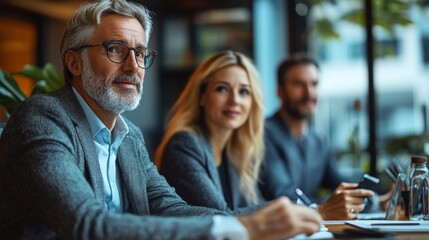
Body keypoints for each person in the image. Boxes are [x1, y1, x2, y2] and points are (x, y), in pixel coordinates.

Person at [0, 1, 322, 239]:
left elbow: (173, 209)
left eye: (140, 53)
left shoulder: (130, 138)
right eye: (115, 49)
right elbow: (86, 224)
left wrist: (275, 218)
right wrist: (244, 226)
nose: (132, 65)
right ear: (74, 62)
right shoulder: (43, 118)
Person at [259, 53, 377, 220]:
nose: (309, 93)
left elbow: (337, 181)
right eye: (298, 84)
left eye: (314, 84)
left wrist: (374, 197)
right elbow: (282, 195)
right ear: (280, 91)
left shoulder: (318, 141)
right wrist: (326, 207)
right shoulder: (263, 135)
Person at [155, 50, 264, 214]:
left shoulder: (235, 150)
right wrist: (287, 210)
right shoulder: (184, 144)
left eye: (244, 91)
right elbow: (221, 217)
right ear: (202, 96)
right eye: (222, 89)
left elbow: (252, 206)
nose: (234, 100)